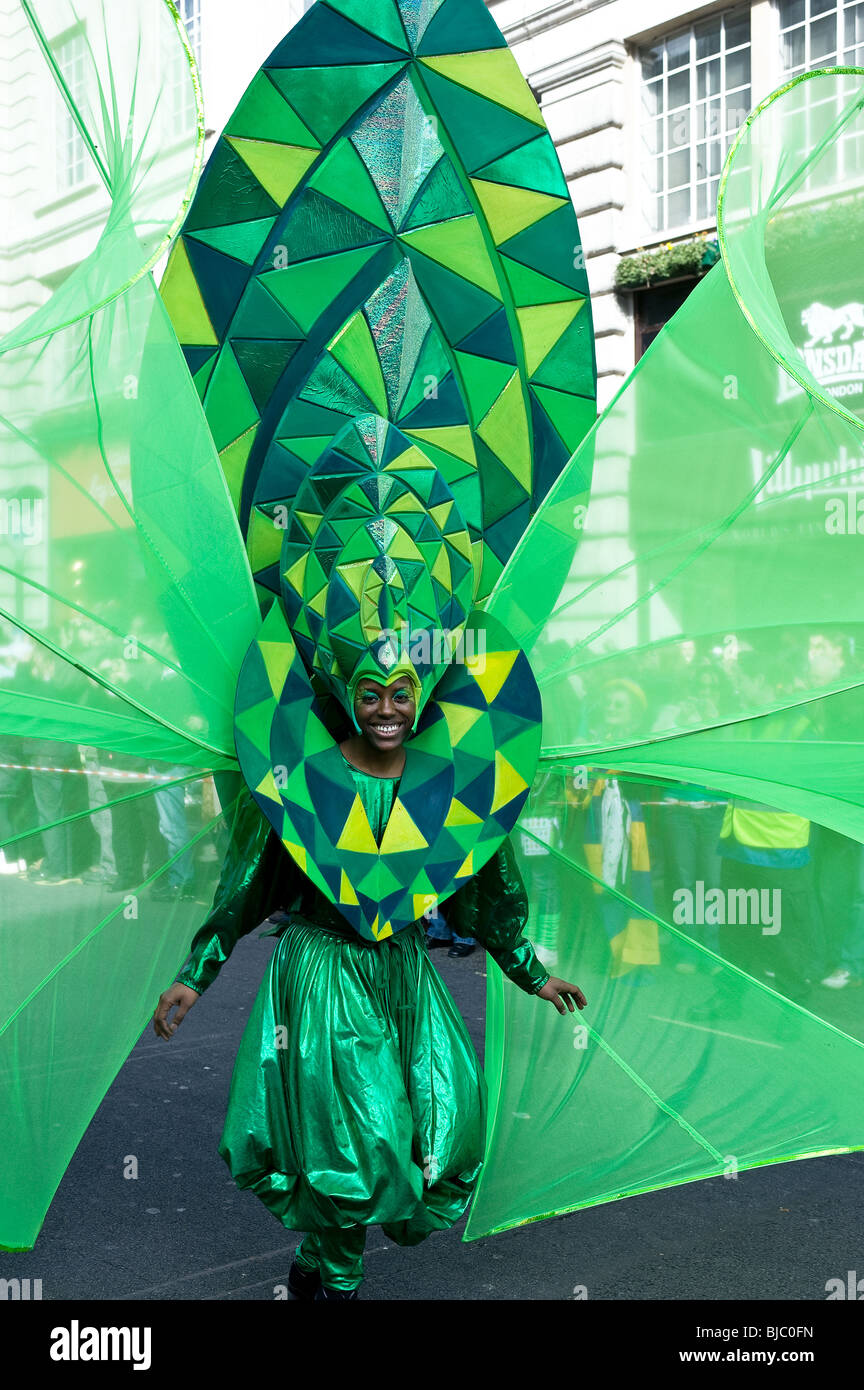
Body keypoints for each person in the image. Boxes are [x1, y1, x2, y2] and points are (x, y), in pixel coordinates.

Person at [154, 672, 587, 1301]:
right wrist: (195, 975)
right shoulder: (305, 777)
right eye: (369, 694)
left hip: (405, 973)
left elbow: (490, 887)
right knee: (362, 1142)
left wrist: (533, 972)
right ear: (348, 700)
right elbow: (249, 884)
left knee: (448, 1121)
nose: (386, 709)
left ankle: (314, 1256)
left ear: (421, 701)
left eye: (401, 693)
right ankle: (338, 1284)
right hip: (324, 973)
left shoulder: (451, 783)